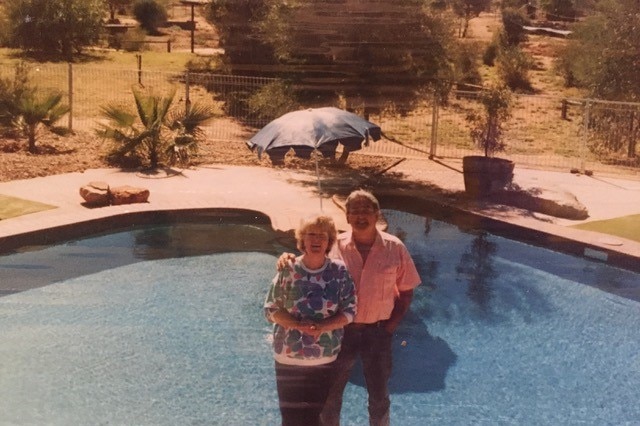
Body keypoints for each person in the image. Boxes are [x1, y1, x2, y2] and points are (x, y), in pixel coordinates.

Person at [278, 190, 421, 426]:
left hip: (378, 332)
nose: (360, 216)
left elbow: (406, 290)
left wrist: (390, 326)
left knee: (379, 395)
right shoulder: (336, 246)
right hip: (341, 332)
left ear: (377, 215)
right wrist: (287, 258)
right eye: (354, 211)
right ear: (347, 217)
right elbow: (310, 258)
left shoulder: (395, 248)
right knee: (331, 395)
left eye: (366, 210)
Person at [265, 215, 357, 426]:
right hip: (289, 358)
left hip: (323, 359)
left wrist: (324, 326)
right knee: (290, 419)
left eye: (322, 236)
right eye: (311, 234)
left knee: (314, 419)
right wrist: (297, 325)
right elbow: (270, 309)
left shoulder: (340, 272)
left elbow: (350, 310)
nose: (316, 240)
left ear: (329, 241)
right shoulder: (288, 269)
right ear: (302, 240)